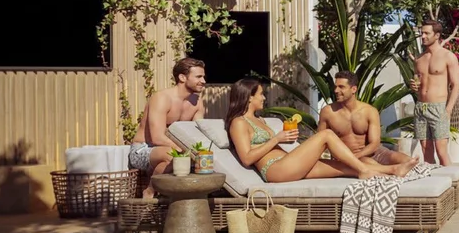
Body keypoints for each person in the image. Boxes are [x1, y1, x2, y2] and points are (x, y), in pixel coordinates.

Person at [225, 79, 387, 183]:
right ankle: (364, 171)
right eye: (261, 94)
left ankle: (395, 170)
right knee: (327, 135)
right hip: (275, 170)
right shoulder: (239, 122)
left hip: (289, 164)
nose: (264, 98)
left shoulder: (259, 119)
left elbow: (269, 146)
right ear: (249, 97)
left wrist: (284, 139)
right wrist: (276, 139)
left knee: (345, 167)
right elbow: (246, 158)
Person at [129, 57, 207, 198]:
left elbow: (198, 135)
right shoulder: (162, 98)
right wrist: (185, 151)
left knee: (202, 157)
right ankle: (150, 192)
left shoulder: (197, 102)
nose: (203, 81)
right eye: (198, 77)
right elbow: (157, 137)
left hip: (176, 148)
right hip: (143, 149)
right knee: (175, 156)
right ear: (182, 77)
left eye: (203, 77)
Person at [318, 70, 419, 177]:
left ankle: (393, 168)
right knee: (368, 163)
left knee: (407, 161)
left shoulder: (369, 111)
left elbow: (374, 144)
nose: (336, 90)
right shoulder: (328, 112)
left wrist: (356, 155)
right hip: (348, 157)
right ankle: (391, 170)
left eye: (341, 87)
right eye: (336, 86)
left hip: (376, 153)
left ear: (353, 89)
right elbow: (320, 141)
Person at [409, 20, 459, 166]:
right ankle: (432, 182)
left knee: (441, 150)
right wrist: (414, 87)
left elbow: (456, 85)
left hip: (439, 107)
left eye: (426, 33)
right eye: (421, 33)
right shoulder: (419, 59)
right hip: (421, 107)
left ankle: (453, 184)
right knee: (426, 149)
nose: (422, 36)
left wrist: (448, 109)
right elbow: (419, 83)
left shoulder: (448, 56)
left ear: (437, 35)